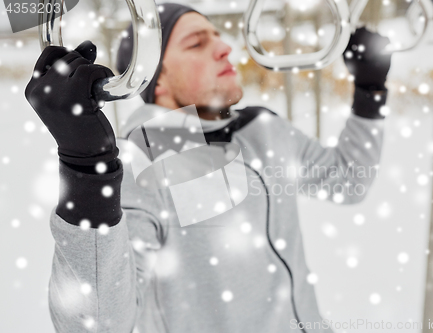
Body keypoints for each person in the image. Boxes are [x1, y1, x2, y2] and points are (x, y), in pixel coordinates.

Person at [24, 2, 391, 332]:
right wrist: (86, 171)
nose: (225, 47)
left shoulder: (263, 127)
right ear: (156, 77)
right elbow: (97, 325)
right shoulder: (151, 156)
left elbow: (346, 182)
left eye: (217, 36)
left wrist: (370, 91)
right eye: (197, 43)